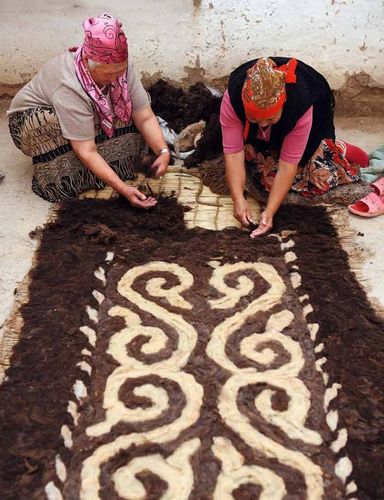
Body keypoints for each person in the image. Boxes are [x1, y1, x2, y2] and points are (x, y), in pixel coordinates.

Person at [8, 12, 171, 207]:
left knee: (124, 101)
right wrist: (123, 189)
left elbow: (143, 116)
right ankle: (69, 179)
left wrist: (162, 151)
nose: (115, 77)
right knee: (52, 124)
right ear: (87, 62)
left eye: (120, 71)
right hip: (31, 122)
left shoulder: (121, 70)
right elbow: (86, 150)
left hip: (79, 111)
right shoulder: (69, 84)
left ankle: (114, 163)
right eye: (108, 73)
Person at [220, 56, 369, 237]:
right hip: (275, 124)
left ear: (282, 104)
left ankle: (335, 148)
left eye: (270, 118)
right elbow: (233, 153)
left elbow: (287, 165)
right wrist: (238, 198)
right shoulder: (234, 98)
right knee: (256, 171)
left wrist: (269, 212)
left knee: (315, 176)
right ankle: (267, 131)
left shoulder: (300, 104)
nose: (263, 124)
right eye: (255, 118)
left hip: (315, 116)